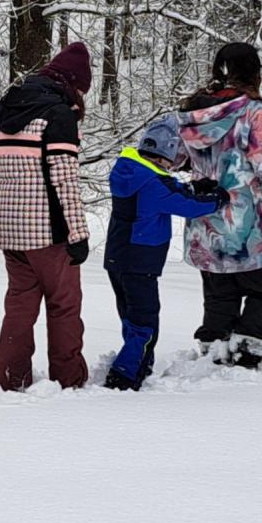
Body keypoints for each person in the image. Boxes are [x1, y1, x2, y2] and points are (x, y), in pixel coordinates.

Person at [177, 42, 262, 368]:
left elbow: (177, 158)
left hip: (206, 225)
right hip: (247, 228)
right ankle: (247, 350)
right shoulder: (253, 112)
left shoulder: (193, 113)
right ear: (254, 72)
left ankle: (214, 351)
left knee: (219, 295)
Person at [0, 42, 92, 391]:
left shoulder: (5, 109)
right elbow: (65, 180)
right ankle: (68, 379)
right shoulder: (58, 115)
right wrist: (78, 234)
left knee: (19, 306)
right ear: (72, 83)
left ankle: (10, 377)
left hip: (9, 228)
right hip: (49, 232)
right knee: (64, 306)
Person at [101, 116, 228, 390]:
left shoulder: (130, 171)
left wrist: (192, 187)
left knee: (131, 318)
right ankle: (124, 377)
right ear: (166, 152)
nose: (175, 163)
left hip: (118, 259)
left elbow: (167, 189)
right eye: (175, 158)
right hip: (140, 262)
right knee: (145, 323)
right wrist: (217, 199)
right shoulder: (154, 184)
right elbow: (188, 205)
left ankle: (140, 364)